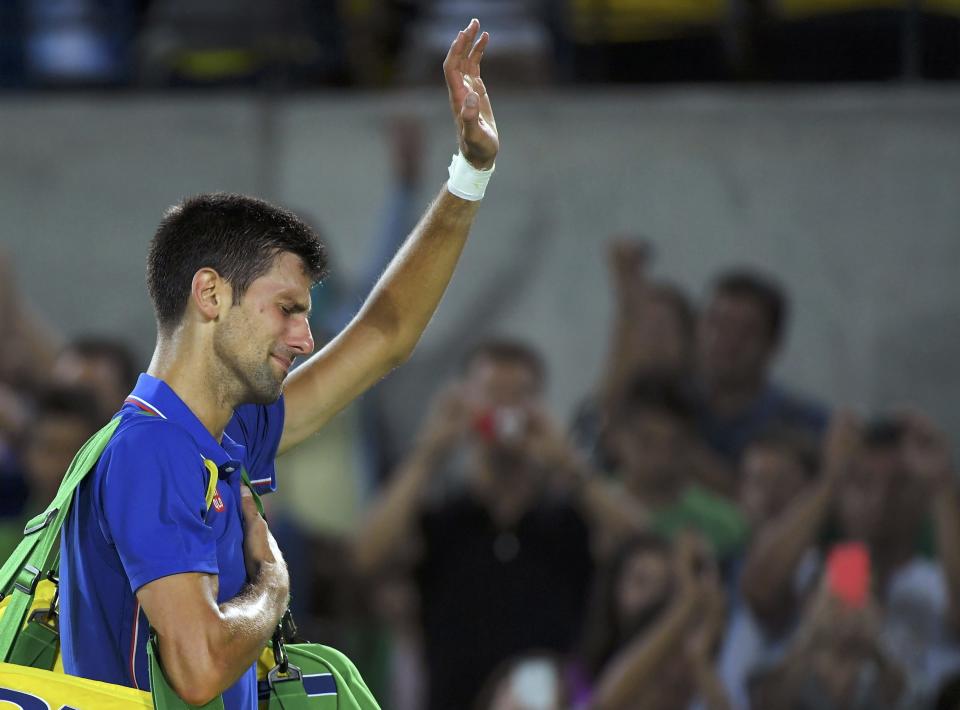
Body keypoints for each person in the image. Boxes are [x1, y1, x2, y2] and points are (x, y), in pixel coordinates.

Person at [57, 18, 500, 708]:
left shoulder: (223, 431)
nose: (305, 336)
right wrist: (272, 587)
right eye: (287, 309)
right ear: (211, 294)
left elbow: (384, 333)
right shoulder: (152, 451)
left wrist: (469, 175)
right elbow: (201, 668)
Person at [353, 339, 645, 710]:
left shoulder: (567, 518)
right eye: (491, 393)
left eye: (519, 395)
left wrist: (568, 464)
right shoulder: (444, 518)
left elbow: (643, 545)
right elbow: (365, 557)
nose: (504, 407)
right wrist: (428, 454)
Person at [739, 410, 960, 707]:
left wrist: (942, 484)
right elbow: (758, 588)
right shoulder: (810, 571)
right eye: (862, 482)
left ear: (922, 495)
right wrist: (830, 478)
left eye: (899, 485)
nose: (880, 500)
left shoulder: (936, 584)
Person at [692, 269, 829, 467]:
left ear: (773, 344)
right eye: (716, 324)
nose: (726, 341)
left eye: (745, 331)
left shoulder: (805, 425)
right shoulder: (670, 405)